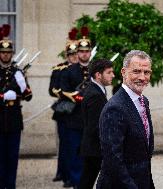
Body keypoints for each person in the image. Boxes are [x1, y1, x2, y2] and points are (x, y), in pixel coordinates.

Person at [97, 50, 155, 189]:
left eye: (146, 72)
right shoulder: (115, 108)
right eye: (136, 71)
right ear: (123, 72)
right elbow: (113, 160)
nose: (142, 77)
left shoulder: (143, 101)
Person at [0, 24, 32, 189]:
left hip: (13, 119)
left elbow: (28, 96)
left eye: (8, 53)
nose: (5, 55)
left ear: (12, 54)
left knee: (12, 155)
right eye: (3, 53)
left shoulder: (17, 71)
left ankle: (10, 184)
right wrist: (3, 96)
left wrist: (23, 85)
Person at [60, 26, 92, 189]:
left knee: (89, 154)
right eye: (81, 51)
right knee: (74, 153)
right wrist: (75, 96)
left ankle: (86, 182)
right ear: (77, 53)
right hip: (73, 118)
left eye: (87, 51)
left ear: (90, 52)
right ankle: (76, 183)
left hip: (90, 120)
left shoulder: (96, 71)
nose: (84, 54)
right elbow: (62, 91)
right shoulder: (69, 71)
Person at [48, 29, 78, 188]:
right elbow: (52, 89)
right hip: (64, 111)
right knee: (65, 144)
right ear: (67, 55)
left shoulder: (83, 70)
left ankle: (72, 174)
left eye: (76, 54)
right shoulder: (60, 69)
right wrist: (67, 94)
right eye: (71, 55)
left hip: (78, 112)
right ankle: (65, 174)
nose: (74, 57)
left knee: (75, 145)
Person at [79, 59, 114, 189]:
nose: (113, 75)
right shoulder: (95, 95)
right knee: (87, 181)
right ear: (98, 75)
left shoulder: (97, 90)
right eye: (109, 72)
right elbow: (96, 126)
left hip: (94, 147)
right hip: (96, 148)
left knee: (87, 181)